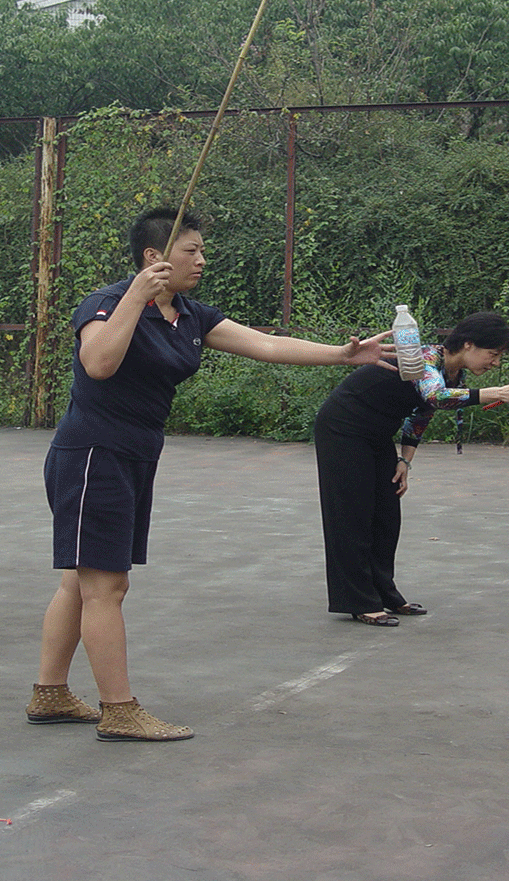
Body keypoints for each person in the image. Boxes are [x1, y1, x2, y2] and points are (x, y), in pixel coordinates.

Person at [31, 208, 393, 742]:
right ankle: (120, 709)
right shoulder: (106, 303)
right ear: (155, 258)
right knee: (106, 586)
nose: (201, 259)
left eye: (202, 250)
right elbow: (99, 364)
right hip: (92, 455)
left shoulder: (192, 316)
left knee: (79, 580)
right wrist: (136, 295)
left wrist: (342, 356)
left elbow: (266, 344)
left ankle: (51, 693)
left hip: (134, 456)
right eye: (190, 250)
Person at [317, 313, 509, 625]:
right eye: (494, 354)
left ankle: (384, 593)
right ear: (468, 344)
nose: (496, 364)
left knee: (386, 514)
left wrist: (405, 460)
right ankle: (358, 601)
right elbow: (435, 395)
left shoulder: (453, 374)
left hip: (378, 433)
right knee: (352, 513)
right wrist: (497, 393)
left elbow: (423, 413)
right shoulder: (423, 358)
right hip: (343, 429)